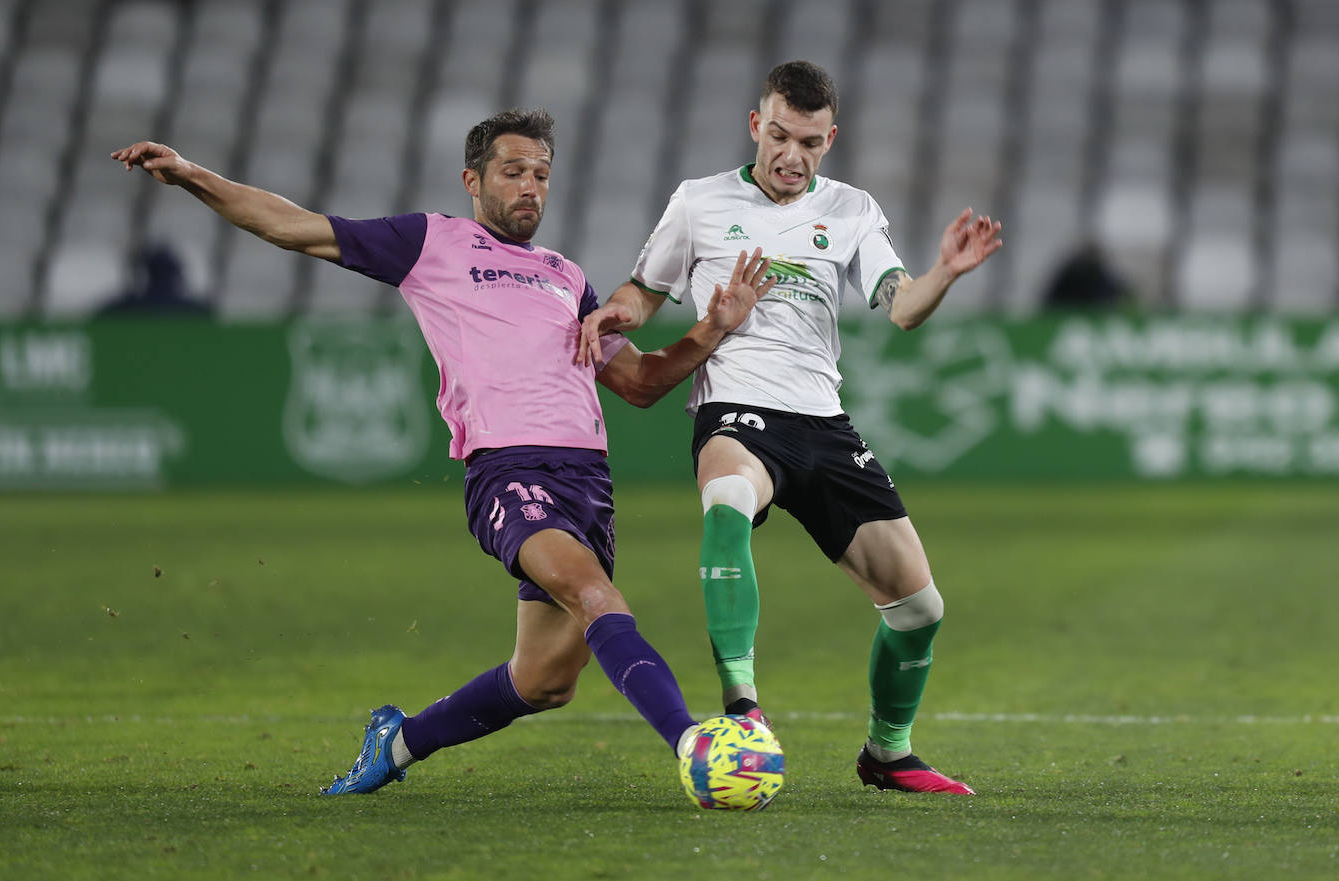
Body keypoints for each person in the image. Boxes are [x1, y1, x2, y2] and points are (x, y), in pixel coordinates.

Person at [111, 107, 776, 798]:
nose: (530, 188)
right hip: (509, 471)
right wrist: (192, 176)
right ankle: (696, 746)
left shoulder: (566, 277)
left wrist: (712, 329)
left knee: (545, 680)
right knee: (595, 593)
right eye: (513, 172)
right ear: (473, 179)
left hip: (588, 486)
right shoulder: (432, 243)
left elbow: (638, 384)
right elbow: (291, 225)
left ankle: (396, 742)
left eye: (541, 175)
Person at [579, 61, 1002, 795]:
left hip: (824, 421)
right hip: (737, 409)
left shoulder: (851, 210)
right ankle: (743, 708)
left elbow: (901, 306)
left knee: (919, 608)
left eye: (808, 142)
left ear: (828, 139)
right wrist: (618, 312)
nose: (791, 155)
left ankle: (887, 752)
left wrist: (945, 275)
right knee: (727, 503)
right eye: (778, 135)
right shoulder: (700, 202)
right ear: (756, 125)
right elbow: (643, 293)